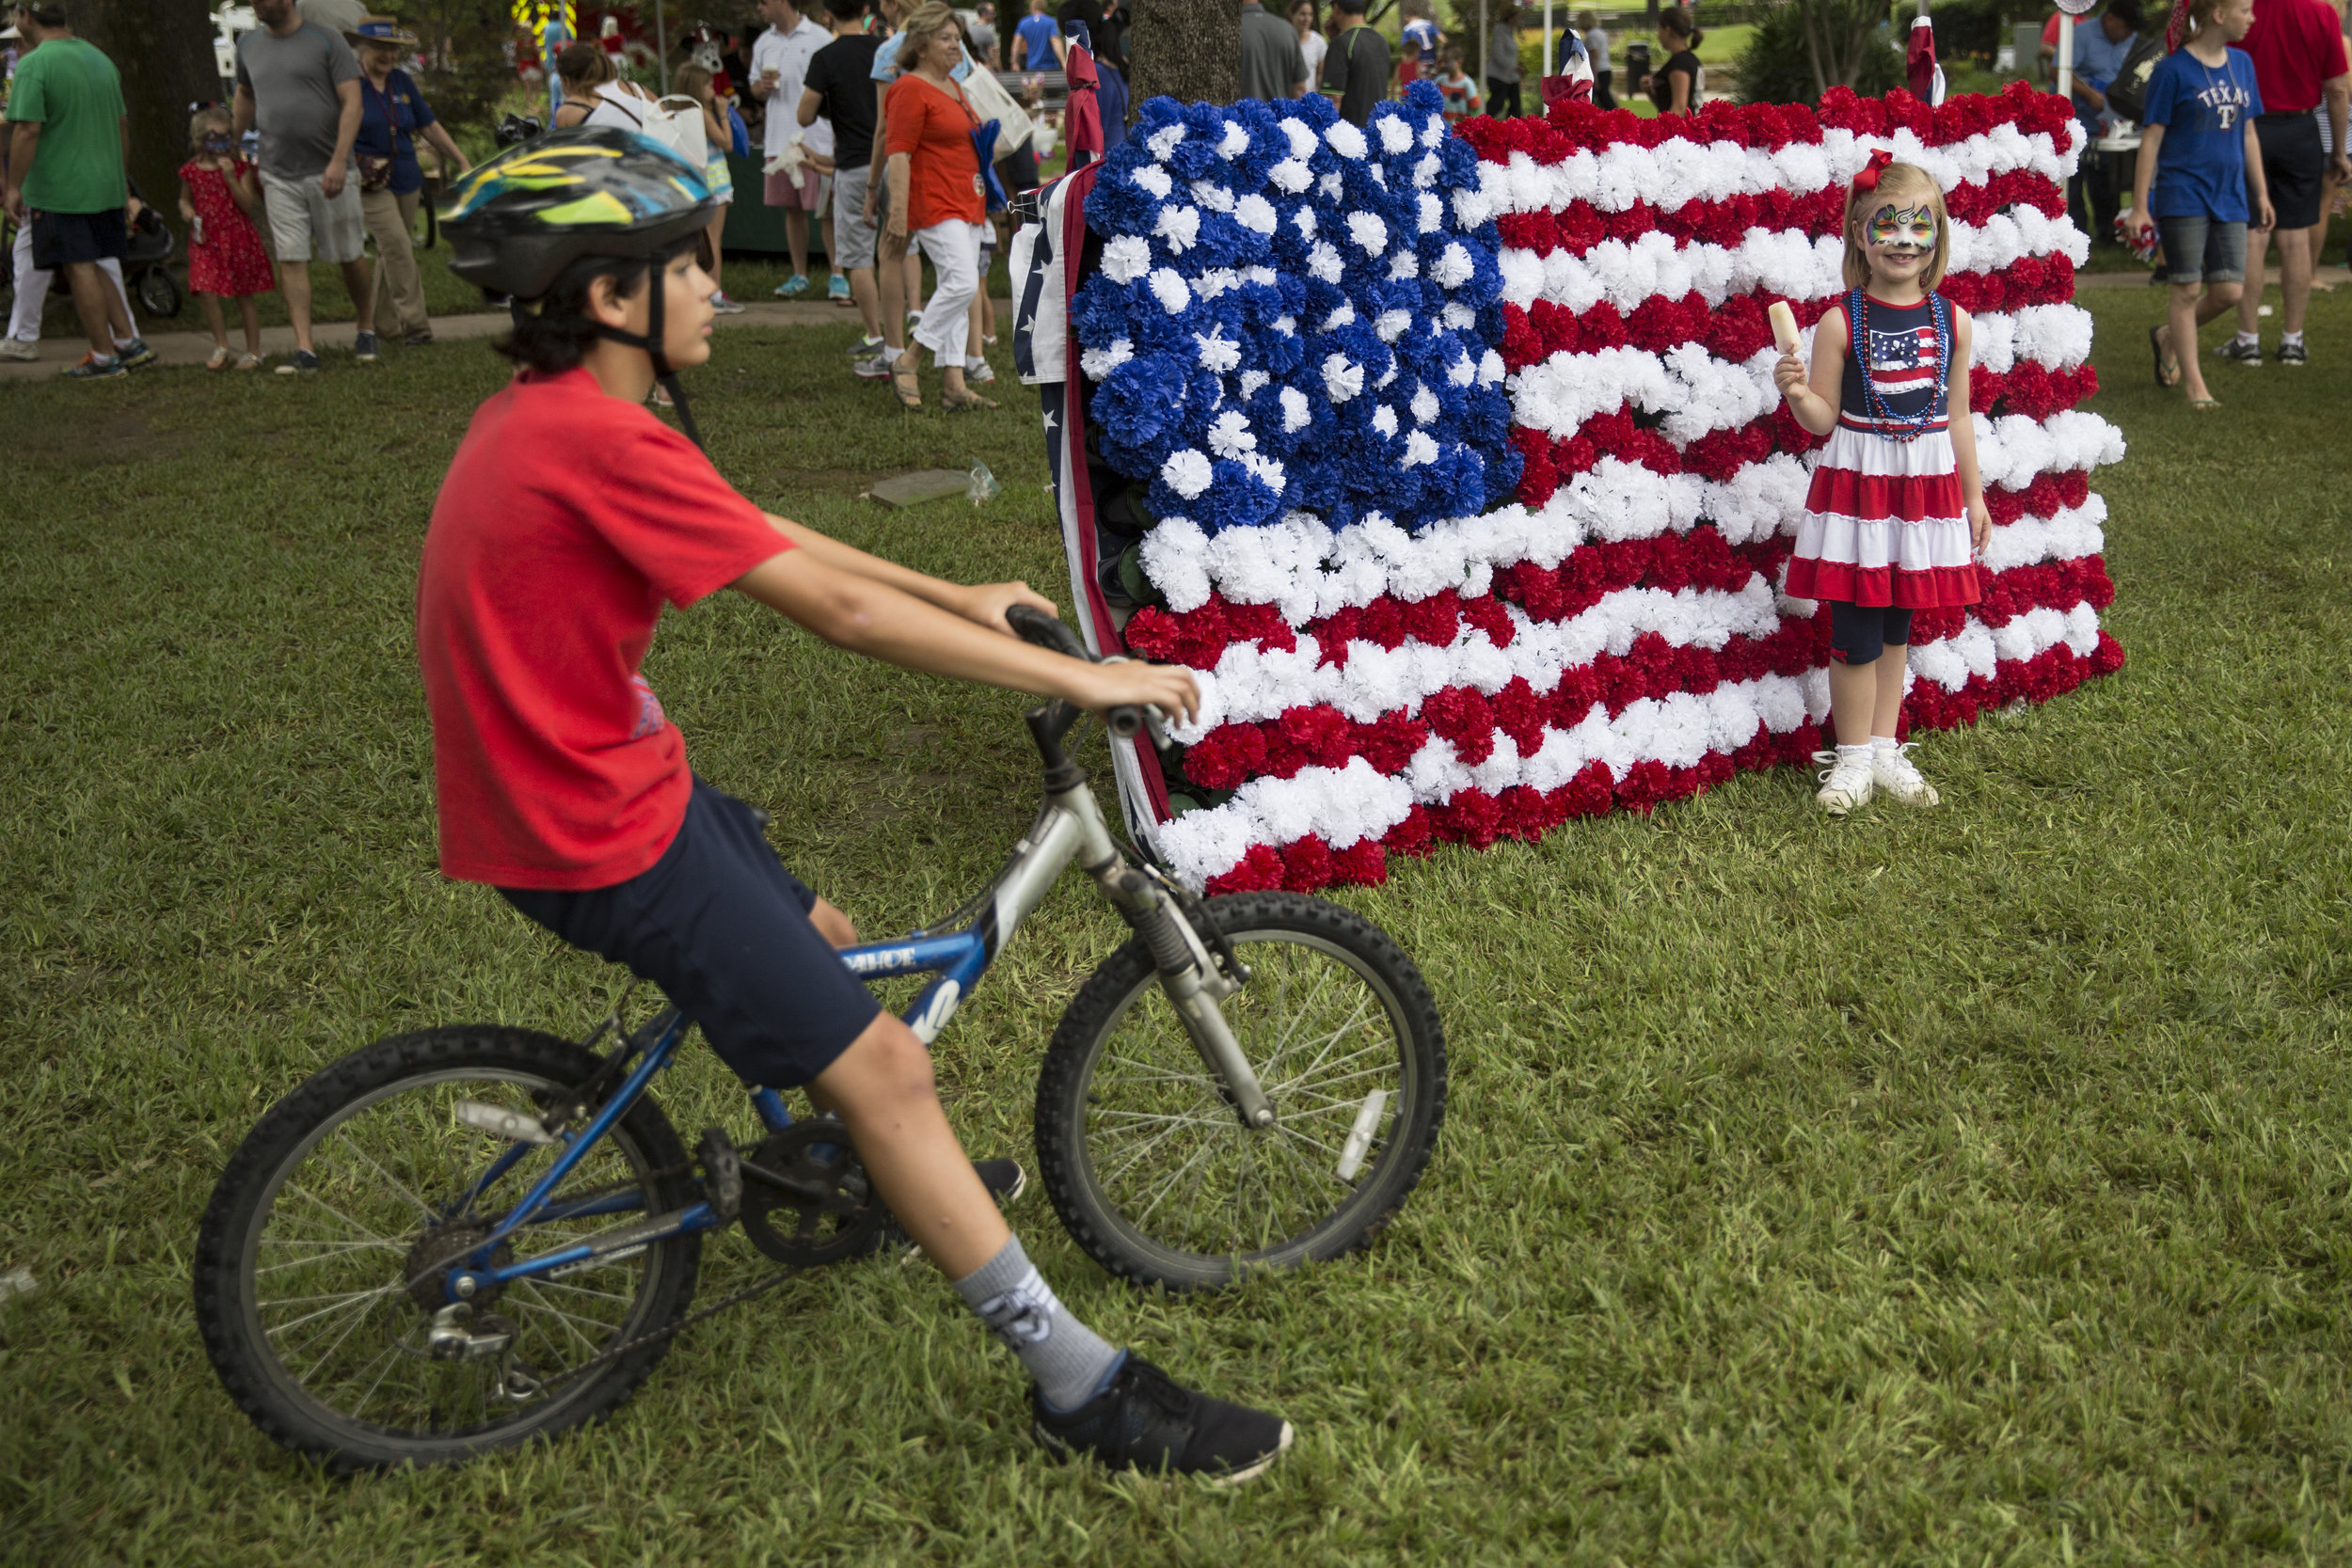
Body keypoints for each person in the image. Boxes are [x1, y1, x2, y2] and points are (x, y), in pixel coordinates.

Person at [428, 127, 1289, 1483]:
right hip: (599, 830)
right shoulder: (595, 439)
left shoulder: (565, 420)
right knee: (893, 1066)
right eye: (689, 266)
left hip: (604, 786)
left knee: (824, 929)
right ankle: (1079, 1384)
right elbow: (830, 608)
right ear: (607, 298)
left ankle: (870, 1174)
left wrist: (956, 592)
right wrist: (1084, 671)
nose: (716, 286)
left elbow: (754, 527)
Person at [1774, 155, 1988, 816]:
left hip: (1920, 493)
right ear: (1860, 236)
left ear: (1938, 236)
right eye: (1885, 224)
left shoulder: (1953, 321)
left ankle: (1886, 746)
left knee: (1898, 625)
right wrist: (1796, 392)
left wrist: (1973, 495)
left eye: (1918, 225)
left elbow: (1956, 416)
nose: (1902, 239)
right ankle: (1851, 760)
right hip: (1862, 491)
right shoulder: (1842, 321)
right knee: (1858, 627)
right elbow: (1822, 420)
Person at [2128, 0, 2273, 405]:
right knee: (2187, 288)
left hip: (2231, 195)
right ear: (2219, 14)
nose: (2252, 17)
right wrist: (2140, 206)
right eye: (2245, 9)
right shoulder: (2171, 70)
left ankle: (2167, 335)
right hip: (2183, 192)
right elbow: (2152, 139)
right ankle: (2195, 385)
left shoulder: (2243, 64)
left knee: (2229, 291)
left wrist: (2261, 193)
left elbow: (2248, 134)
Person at [1, 2, 147, 376]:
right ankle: (129, 342)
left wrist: (13, 186)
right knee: (97, 261)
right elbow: (122, 125)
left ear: (24, 17)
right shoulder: (100, 59)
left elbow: (28, 130)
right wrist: (119, 177)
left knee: (79, 266)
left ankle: (103, 356)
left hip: (61, 188)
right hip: (106, 184)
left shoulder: (35, 64)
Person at [235, 0, 377, 373]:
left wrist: (338, 159)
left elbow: (353, 102)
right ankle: (305, 348)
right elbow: (246, 94)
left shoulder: (327, 41)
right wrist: (230, 144)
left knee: (349, 255)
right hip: (278, 172)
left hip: (330, 171)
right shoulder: (247, 45)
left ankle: (366, 325)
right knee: (291, 258)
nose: (256, 4)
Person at [2220, 0, 2349, 362]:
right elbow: (2338, 89)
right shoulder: (2321, 11)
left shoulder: (2240, 8)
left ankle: (2248, 341)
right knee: (2296, 239)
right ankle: (2292, 340)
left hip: (2247, 128)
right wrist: (2338, 150)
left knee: (2253, 234)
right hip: (2301, 129)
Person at [883, 3, 993, 409]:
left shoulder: (954, 86)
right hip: (935, 202)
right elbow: (898, 153)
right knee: (963, 283)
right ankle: (908, 359)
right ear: (921, 44)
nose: (955, 46)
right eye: (945, 39)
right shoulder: (909, 88)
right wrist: (898, 213)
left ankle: (953, 384)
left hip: (966, 200)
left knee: (958, 289)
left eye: (957, 39)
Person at [349, 16, 469, 349]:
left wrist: (460, 160)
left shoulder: (402, 82)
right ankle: (417, 327)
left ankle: (382, 327)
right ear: (364, 49)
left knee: (392, 253)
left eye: (392, 49)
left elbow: (428, 126)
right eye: (380, 49)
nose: (387, 56)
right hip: (370, 182)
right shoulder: (351, 84)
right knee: (399, 248)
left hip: (406, 177)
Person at [802, 0, 885, 356]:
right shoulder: (884, 48)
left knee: (858, 258)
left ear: (828, 14)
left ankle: (875, 335)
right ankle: (908, 324)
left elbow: (804, 115)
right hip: (894, 162)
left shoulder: (825, 57)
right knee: (899, 253)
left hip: (853, 165)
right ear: (866, 9)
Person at [178, 105, 273, 371]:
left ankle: (253, 350)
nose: (220, 145)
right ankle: (222, 345)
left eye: (225, 138)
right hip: (206, 240)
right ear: (199, 140)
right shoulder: (191, 171)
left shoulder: (239, 168)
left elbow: (247, 204)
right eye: (213, 138)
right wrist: (188, 213)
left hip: (237, 239)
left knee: (244, 295)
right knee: (205, 289)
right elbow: (184, 200)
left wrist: (231, 178)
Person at [752, 0, 833, 298]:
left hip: (816, 138)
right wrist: (762, 87)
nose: (758, 8)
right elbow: (754, 89)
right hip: (778, 139)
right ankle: (800, 275)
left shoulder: (819, 37)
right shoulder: (764, 42)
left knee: (826, 210)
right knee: (792, 209)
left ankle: (838, 276)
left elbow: (834, 86)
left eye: (763, 2)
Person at [674, 63, 746, 313]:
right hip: (715, 182)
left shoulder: (677, 113)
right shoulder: (702, 113)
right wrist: (724, 113)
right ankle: (714, 292)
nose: (712, 89)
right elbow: (726, 142)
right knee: (713, 240)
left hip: (694, 183)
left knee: (697, 241)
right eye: (707, 85)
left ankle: (696, 290)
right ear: (695, 87)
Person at [1319, 0, 1392, 127]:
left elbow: (1333, 99)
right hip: (1379, 131)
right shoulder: (1382, 41)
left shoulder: (1341, 43)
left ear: (1336, 8)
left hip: (1350, 135)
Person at [1240, 0, 1307, 100]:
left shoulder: (1230, 31)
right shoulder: (1287, 30)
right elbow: (1300, 89)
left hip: (1240, 113)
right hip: (1281, 113)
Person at [1644, 7, 1703, 116]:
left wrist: (1659, 131)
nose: (1658, 36)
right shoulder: (1690, 59)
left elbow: (1679, 108)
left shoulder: (1680, 63)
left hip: (1679, 131)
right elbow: (1666, 105)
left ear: (1668, 30)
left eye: (1659, 29)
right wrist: (1649, 91)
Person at [1486, 7, 1522, 117]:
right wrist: (1514, 67)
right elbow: (1498, 55)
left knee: (1516, 106)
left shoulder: (1510, 32)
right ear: (1510, 18)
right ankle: (1482, 123)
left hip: (1511, 77)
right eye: (1517, 17)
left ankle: (1516, 128)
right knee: (1496, 104)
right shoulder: (1499, 31)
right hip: (1498, 76)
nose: (1518, 20)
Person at [1399, 0, 1442, 87]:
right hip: (1433, 58)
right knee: (1434, 84)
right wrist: (1440, 53)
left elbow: (1406, 48)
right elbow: (1443, 39)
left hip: (1420, 61)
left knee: (1421, 86)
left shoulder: (1407, 29)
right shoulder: (1428, 24)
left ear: (1407, 16)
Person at [1292, 0, 1329, 97]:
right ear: (1293, 14)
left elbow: (1320, 77)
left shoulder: (1319, 42)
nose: (1307, 19)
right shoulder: (1284, 40)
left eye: (1310, 14)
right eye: (1302, 14)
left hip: (1308, 103)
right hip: (1286, 103)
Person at [1435, 42, 1482, 119]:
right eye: (1441, 61)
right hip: (1441, 129)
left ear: (1459, 61)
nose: (1443, 65)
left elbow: (1476, 109)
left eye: (1446, 61)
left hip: (1458, 129)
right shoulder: (1440, 80)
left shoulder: (1467, 84)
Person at [1580, 8, 1613, 110]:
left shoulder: (1591, 36)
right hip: (1606, 68)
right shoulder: (1600, 33)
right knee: (1604, 98)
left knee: (1602, 99)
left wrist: (1594, 77)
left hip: (1599, 71)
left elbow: (1594, 56)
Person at [1015, 0, 1063, 69]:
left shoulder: (1023, 23)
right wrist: (1063, 62)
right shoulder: (1051, 22)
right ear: (1044, 7)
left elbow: (1016, 45)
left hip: (1032, 67)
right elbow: (1055, 41)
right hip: (1050, 67)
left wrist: (1015, 63)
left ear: (1032, 7)